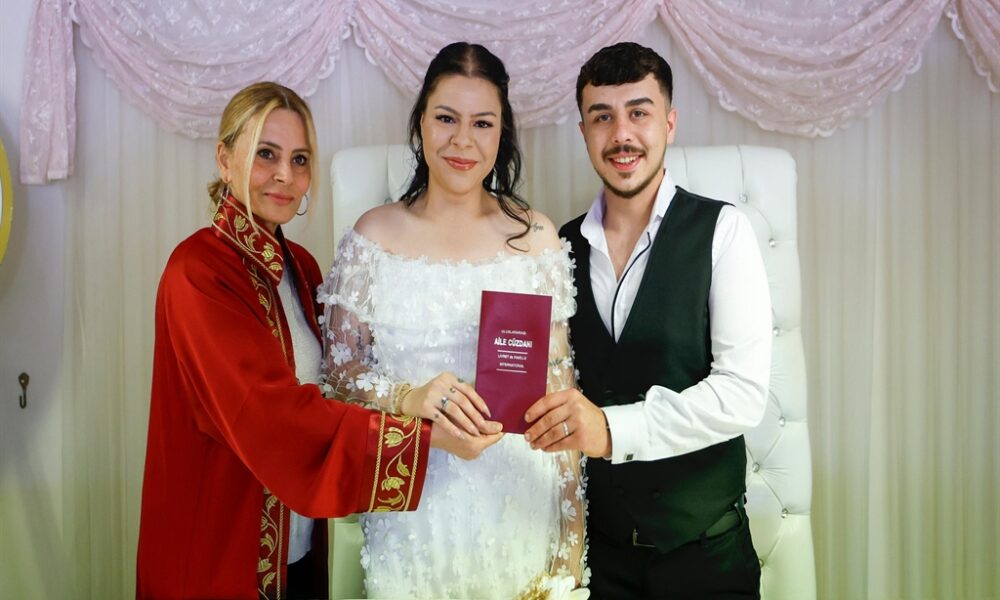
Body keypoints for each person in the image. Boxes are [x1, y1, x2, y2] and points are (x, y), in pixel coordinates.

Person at [136, 82, 495, 600]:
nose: (286, 174)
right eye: (266, 154)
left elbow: (338, 385)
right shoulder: (198, 273)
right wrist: (424, 435)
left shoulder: (299, 268)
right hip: (221, 552)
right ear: (225, 159)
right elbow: (272, 417)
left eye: (299, 159)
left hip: (299, 546)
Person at [318, 42, 587, 599]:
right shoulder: (372, 239)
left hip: (521, 510)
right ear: (421, 122)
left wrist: (569, 549)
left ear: (501, 134)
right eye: (446, 118)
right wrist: (409, 396)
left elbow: (561, 400)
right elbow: (339, 379)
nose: (463, 141)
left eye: (482, 123)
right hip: (415, 514)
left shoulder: (537, 239)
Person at [524, 42, 772, 598]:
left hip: (707, 560)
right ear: (584, 132)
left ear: (669, 123)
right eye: (602, 117)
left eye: (639, 112)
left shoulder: (723, 231)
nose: (621, 135)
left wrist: (612, 429)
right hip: (598, 563)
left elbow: (742, 395)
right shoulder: (556, 247)